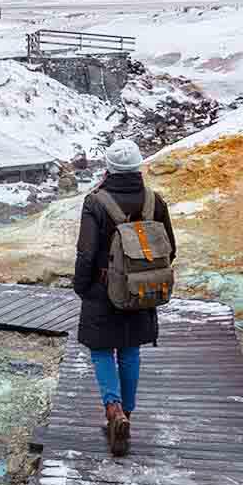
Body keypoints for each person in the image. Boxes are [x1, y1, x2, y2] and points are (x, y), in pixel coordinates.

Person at [72, 138, 175, 456]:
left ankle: (113, 411)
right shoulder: (153, 201)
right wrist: (145, 277)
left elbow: (86, 252)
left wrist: (82, 286)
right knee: (130, 352)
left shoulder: (95, 202)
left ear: (109, 168)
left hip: (104, 291)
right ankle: (127, 416)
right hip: (142, 289)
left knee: (102, 351)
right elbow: (169, 248)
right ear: (138, 166)